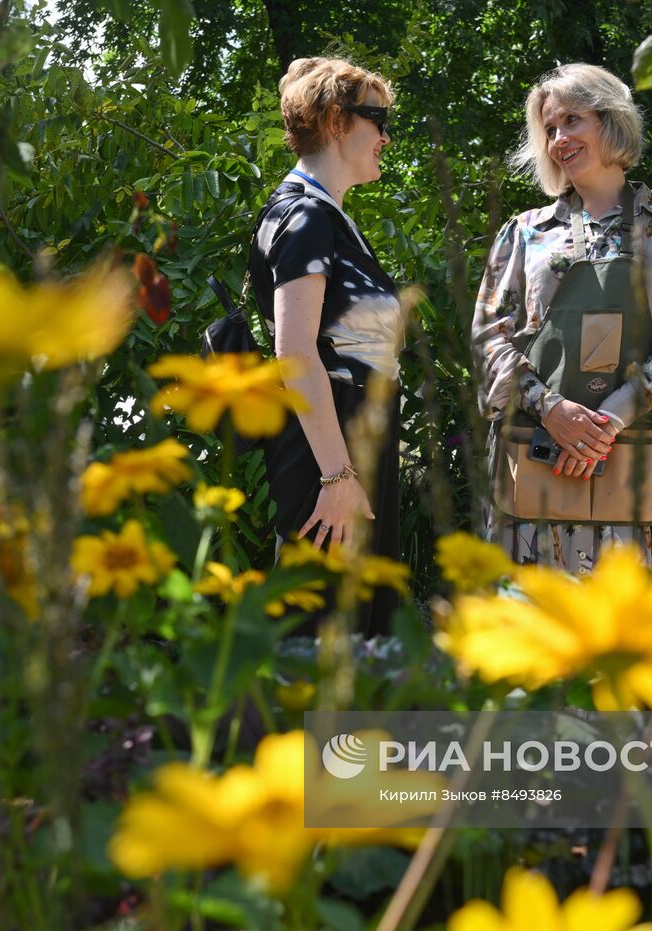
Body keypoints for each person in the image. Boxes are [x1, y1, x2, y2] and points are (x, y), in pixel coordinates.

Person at [472, 63, 652, 573]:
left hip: (629, 468)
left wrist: (607, 423)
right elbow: (490, 339)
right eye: (550, 129)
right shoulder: (524, 233)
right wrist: (552, 410)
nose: (559, 139)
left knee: (621, 636)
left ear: (611, 120)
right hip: (535, 466)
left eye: (571, 120)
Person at [248, 56, 401, 636]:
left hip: (350, 443)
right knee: (327, 636)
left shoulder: (328, 215)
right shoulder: (304, 216)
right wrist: (337, 478)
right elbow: (295, 353)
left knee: (357, 634)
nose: (385, 135)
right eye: (376, 119)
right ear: (337, 121)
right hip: (329, 452)